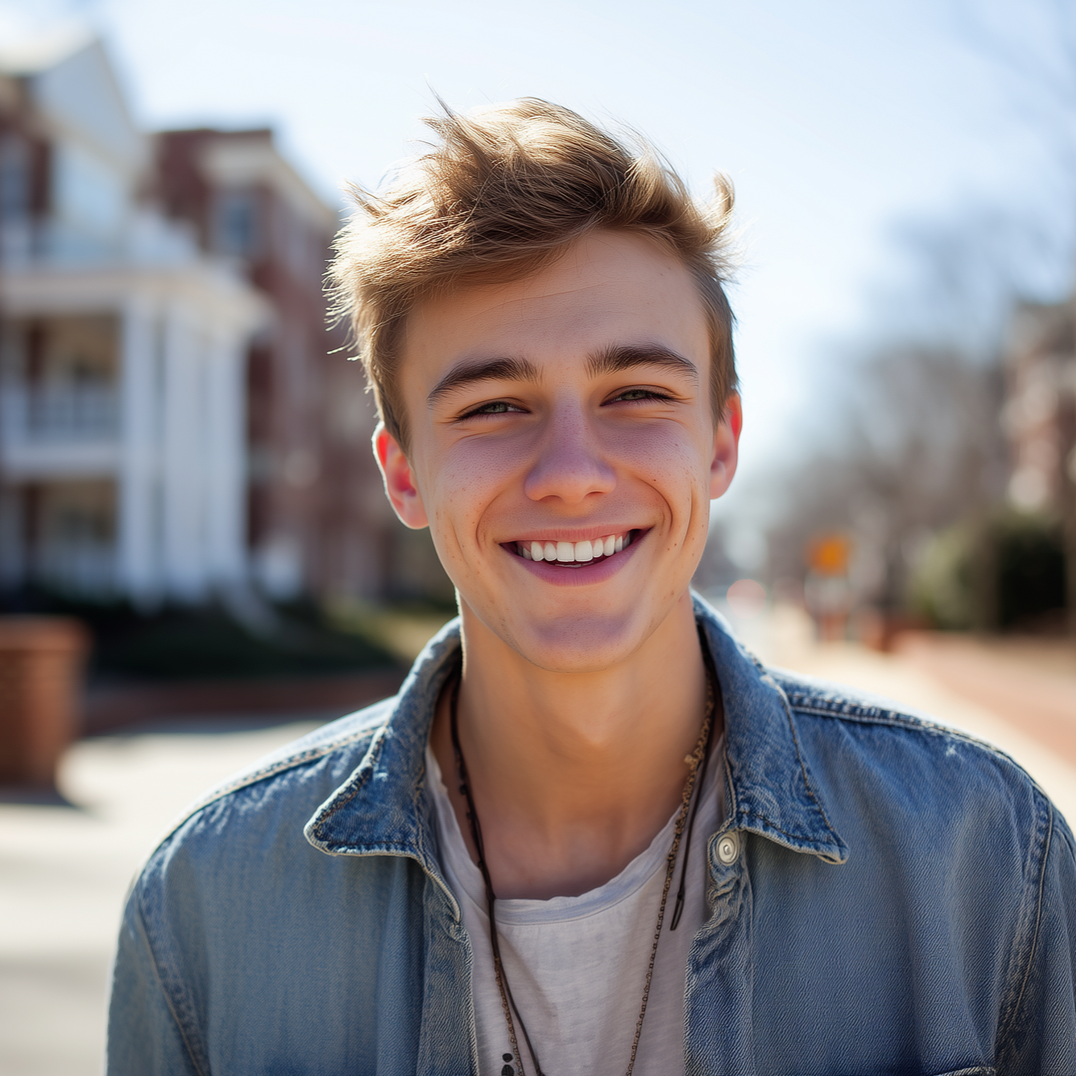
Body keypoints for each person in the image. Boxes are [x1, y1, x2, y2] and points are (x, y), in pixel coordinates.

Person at [107, 99, 1076, 1076]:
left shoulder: (984, 858)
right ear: (403, 472)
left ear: (720, 440)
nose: (570, 470)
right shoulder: (204, 909)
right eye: (493, 406)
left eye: (635, 394)